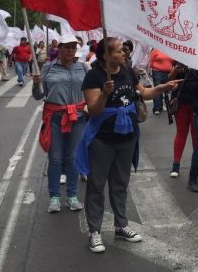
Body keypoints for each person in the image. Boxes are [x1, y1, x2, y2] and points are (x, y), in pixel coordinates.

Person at [77, 38, 178, 253]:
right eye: (119, 51)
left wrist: (160, 88)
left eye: (124, 50)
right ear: (106, 55)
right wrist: (104, 93)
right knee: (96, 184)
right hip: (102, 139)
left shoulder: (127, 71)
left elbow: (143, 93)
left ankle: (121, 225)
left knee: (120, 183)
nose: (124, 53)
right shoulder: (93, 76)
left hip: (128, 136)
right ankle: (94, 231)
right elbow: (94, 111)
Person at [32, 34, 89, 214]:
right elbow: (39, 96)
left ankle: (72, 196)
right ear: (60, 49)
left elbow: (89, 91)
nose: (71, 50)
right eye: (67, 47)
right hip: (55, 117)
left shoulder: (83, 68)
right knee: (55, 158)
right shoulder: (48, 68)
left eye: (74, 47)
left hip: (78, 117)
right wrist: (36, 85)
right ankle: (54, 197)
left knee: (73, 157)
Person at [167, 62, 197, 178]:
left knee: (196, 135)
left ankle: (196, 164)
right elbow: (170, 78)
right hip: (181, 101)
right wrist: (175, 71)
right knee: (181, 133)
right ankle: (176, 164)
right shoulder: (179, 59)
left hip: (197, 102)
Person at [149, 48, 173, 115]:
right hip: (157, 71)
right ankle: (157, 108)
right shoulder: (156, 49)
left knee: (167, 90)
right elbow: (151, 61)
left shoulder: (169, 49)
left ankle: (169, 107)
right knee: (158, 89)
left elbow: (173, 61)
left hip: (168, 72)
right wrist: (150, 71)